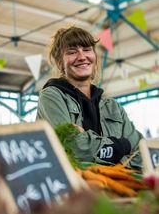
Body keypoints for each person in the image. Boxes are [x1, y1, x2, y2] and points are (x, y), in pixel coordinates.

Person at [36, 26, 142, 169]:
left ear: (95, 57)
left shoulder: (112, 106)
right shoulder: (51, 97)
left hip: (118, 184)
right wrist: (123, 145)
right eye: (72, 52)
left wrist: (116, 168)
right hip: (74, 187)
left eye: (87, 50)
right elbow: (74, 147)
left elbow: (142, 151)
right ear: (60, 63)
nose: (81, 57)